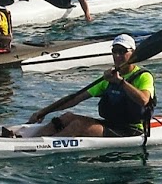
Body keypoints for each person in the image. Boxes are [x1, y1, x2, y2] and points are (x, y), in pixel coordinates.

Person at [18, 34, 155, 138]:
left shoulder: (143, 76)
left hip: (132, 130)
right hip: (111, 124)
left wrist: (120, 82)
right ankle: (29, 140)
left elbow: (144, 100)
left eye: (122, 52)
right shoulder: (108, 78)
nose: (117, 55)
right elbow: (75, 99)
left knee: (78, 125)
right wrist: (43, 112)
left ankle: (41, 147)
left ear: (133, 53)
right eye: (115, 51)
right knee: (66, 117)